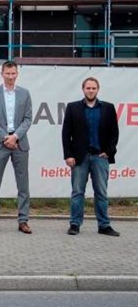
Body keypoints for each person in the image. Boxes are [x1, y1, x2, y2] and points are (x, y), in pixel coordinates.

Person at [62, 77, 120, 237]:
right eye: (88, 88)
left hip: (100, 157)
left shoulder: (108, 108)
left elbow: (114, 133)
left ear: (98, 89)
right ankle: (74, 224)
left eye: (93, 88)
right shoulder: (73, 108)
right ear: (83, 89)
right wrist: (68, 155)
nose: (91, 90)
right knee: (77, 192)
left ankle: (104, 225)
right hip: (79, 158)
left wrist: (108, 152)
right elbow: (66, 133)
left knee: (101, 192)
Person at [0, 60, 33, 234]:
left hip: (20, 143)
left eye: (13, 74)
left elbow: (28, 119)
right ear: (2, 73)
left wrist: (15, 136)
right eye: (8, 74)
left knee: (23, 184)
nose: (11, 77)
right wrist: (5, 137)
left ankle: (23, 220)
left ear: (17, 74)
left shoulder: (25, 94)